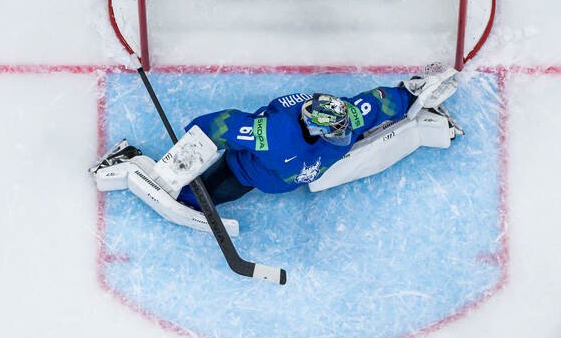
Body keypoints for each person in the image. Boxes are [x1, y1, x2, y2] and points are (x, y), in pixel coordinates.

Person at [90, 71, 463, 232]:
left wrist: (413, 93)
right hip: (244, 173)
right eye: (336, 132)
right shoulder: (273, 135)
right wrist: (180, 163)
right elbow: (217, 126)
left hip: (292, 172)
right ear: (315, 129)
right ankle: (133, 161)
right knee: (192, 198)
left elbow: (380, 103)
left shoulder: (347, 114)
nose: (345, 132)